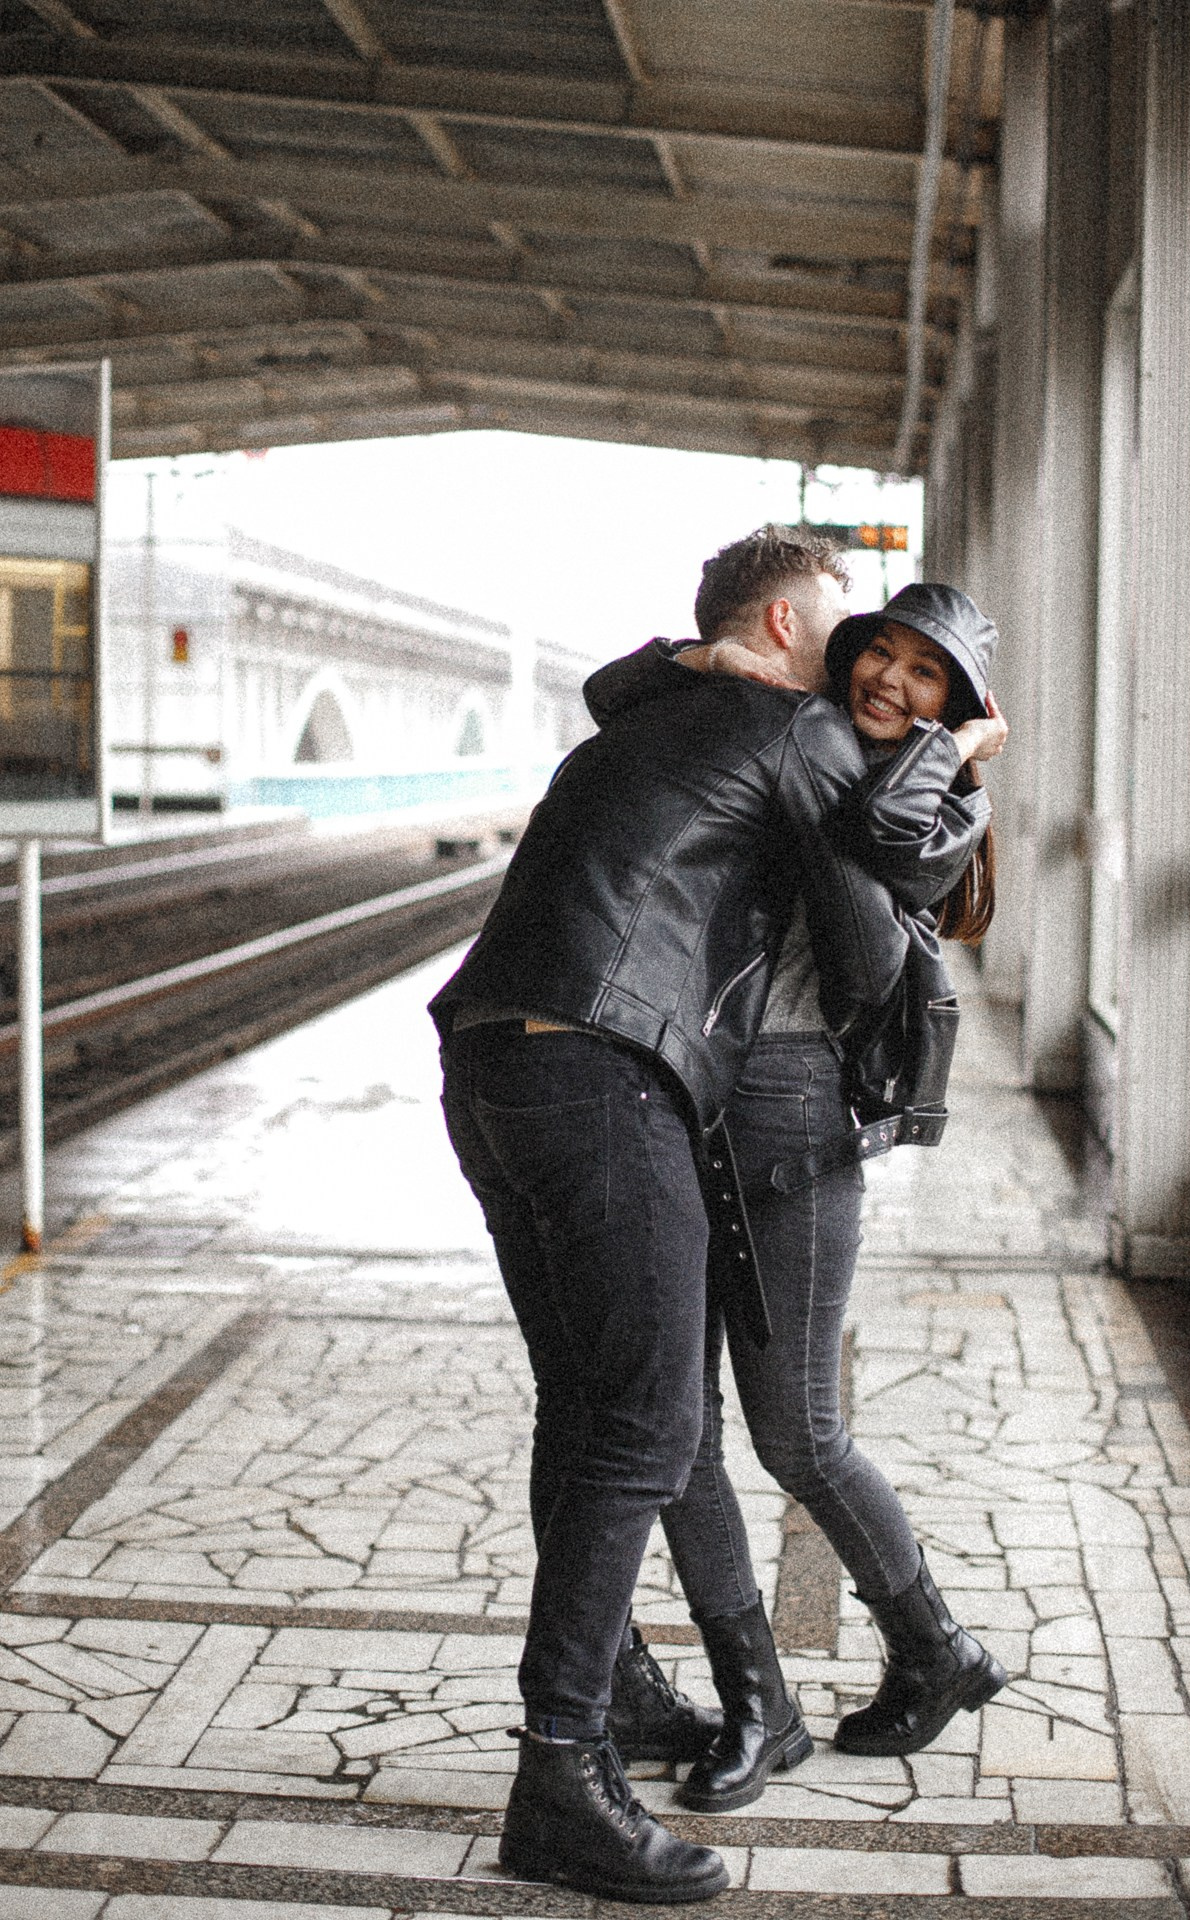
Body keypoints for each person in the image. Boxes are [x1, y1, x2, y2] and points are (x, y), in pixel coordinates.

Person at [430, 527, 922, 1903]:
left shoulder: (653, 718)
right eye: (840, 622)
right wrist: (919, 786)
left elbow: (610, 691)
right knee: (650, 1418)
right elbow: (876, 958)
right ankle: (559, 1777)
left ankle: (629, 1701)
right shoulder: (791, 727)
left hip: (490, 1060)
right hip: (602, 1067)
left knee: (588, 1403)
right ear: (777, 626)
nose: (863, 649)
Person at [584, 570, 1009, 1812]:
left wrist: (957, 746)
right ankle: (758, 1696)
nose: (888, 680)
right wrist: (700, 657)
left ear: (956, 700)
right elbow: (614, 698)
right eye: (878, 655)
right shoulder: (800, 730)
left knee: (797, 1430)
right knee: (681, 1425)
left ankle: (934, 1646)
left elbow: (884, 870)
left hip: (793, 1104)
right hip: (694, 1086)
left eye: (924, 673)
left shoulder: (927, 806)